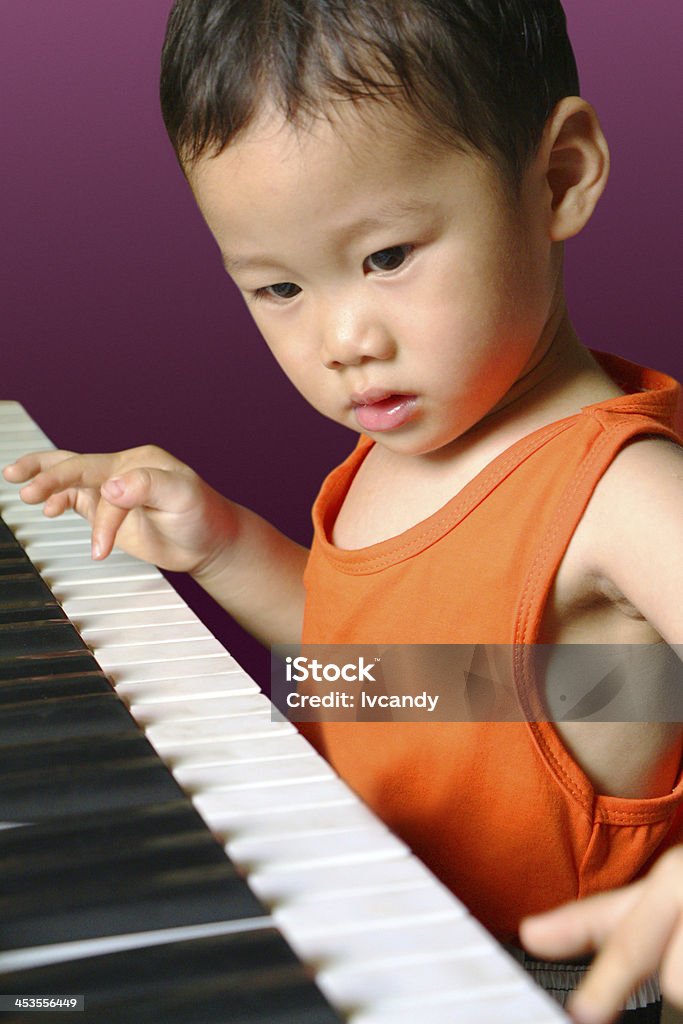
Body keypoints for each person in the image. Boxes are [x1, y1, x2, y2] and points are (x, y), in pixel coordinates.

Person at [3, 1, 682, 1020]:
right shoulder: (399, 453)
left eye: (386, 257)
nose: (341, 337)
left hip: (545, 982)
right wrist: (224, 545)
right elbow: (397, 676)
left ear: (557, 178)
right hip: (372, 921)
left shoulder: (621, 490)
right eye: (277, 287)